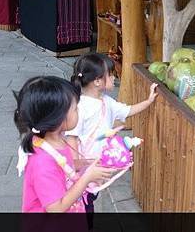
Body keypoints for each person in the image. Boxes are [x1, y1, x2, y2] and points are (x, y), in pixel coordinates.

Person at [65, 53, 158, 217]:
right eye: (110, 74)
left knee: (91, 200)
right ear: (97, 81)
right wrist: (77, 166)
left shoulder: (107, 101)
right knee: (84, 204)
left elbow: (128, 111)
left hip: (97, 167)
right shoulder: (79, 107)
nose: (114, 77)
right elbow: (72, 139)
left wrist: (149, 101)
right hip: (84, 171)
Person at [14, 76, 116, 213]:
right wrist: (87, 178)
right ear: (58, 118)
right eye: (75, 109)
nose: (79, 112)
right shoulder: (42, 162)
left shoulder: (57, 141)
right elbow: (55, 208)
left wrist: (86, 163)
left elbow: (63, 166)